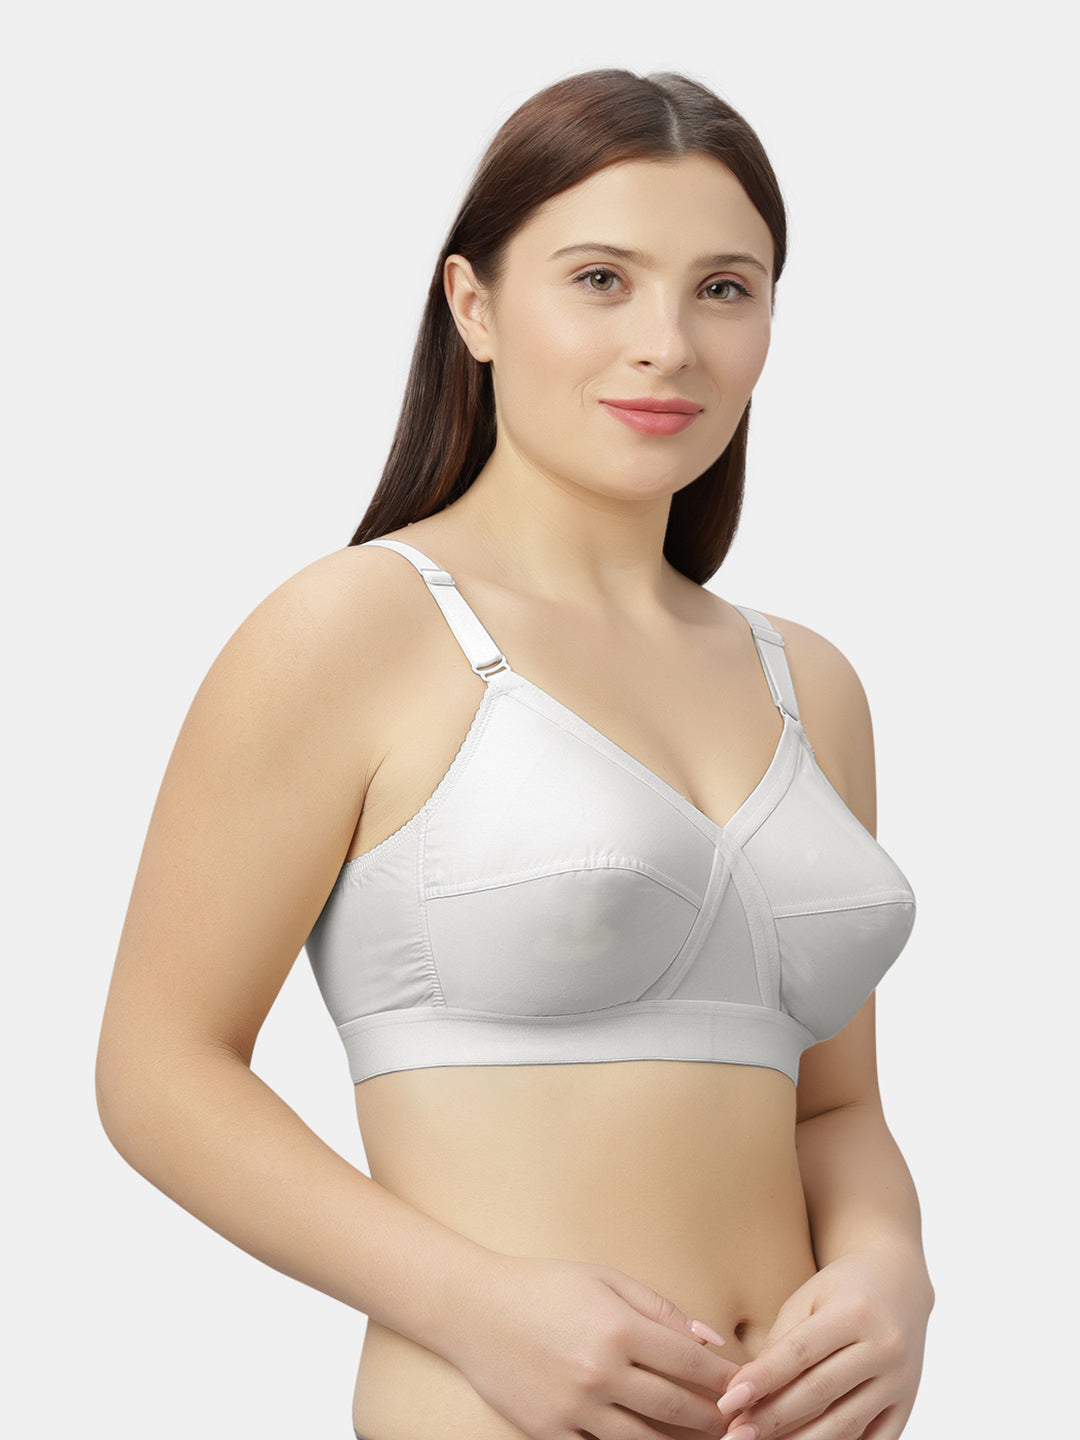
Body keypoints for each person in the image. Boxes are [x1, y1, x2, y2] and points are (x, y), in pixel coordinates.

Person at [97, 69, 934, 1440]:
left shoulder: (811, 685)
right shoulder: (355, 629)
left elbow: (833, 1109)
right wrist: (473, 1307)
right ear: (473, 306)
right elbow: (158, 1070)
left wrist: (894, 1268)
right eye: (601, 279)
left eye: (725, 289)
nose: (667, 343)